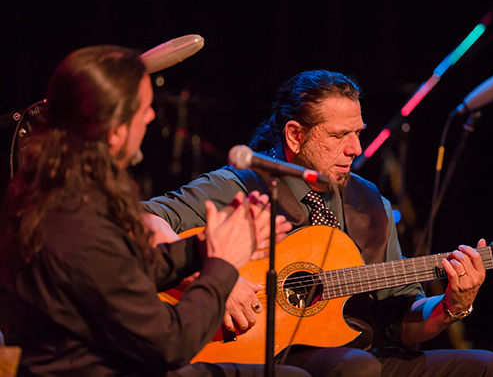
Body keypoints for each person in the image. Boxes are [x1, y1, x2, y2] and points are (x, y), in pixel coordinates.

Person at [144, 70, 493, 376]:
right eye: (340, 135)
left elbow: (399, 318)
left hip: (358, 351)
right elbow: (140, 219)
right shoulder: (240, 184)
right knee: (356, 368)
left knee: (489, 368)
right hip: (268, 355)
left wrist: (452, 305)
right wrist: (216, 279)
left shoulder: (372, 204)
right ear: (294, 135)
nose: (356, 148)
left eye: (358, 132)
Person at [0, 45, 310, 377]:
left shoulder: (63, 189)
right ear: (116, 130)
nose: (150, 117)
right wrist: (221, 266)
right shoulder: (77, 223)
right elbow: (172, 344)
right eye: (145, 108)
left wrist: (203, 246)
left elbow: (125, 269)